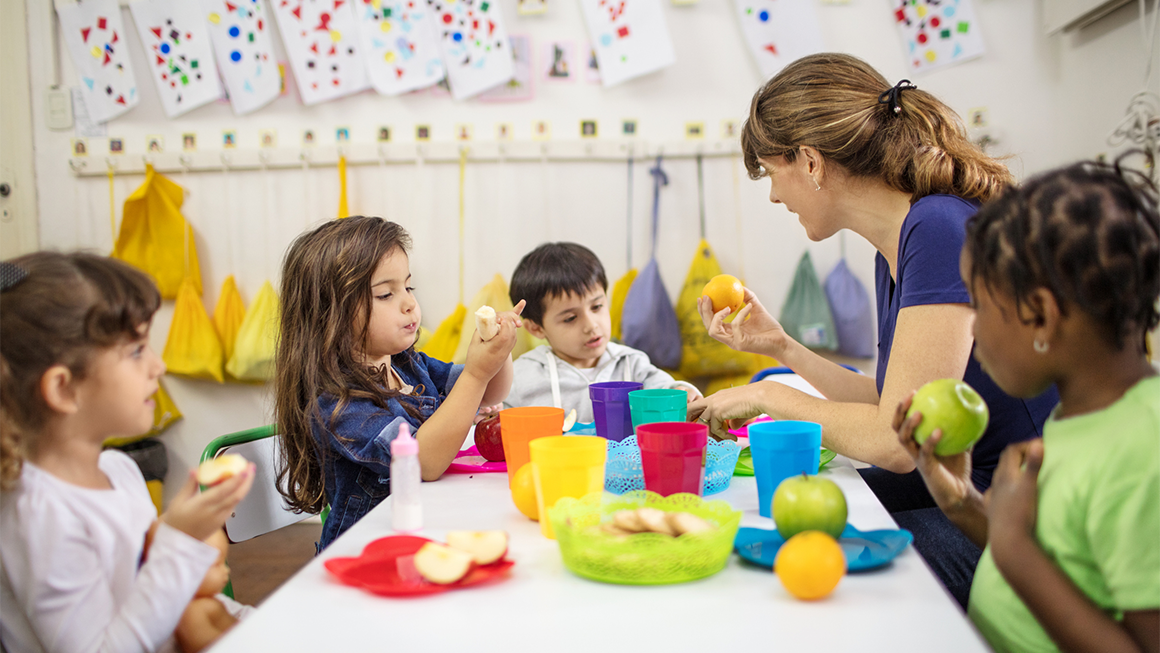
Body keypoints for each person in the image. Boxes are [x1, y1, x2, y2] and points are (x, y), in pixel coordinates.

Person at [686, 52, 1058, 608]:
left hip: (1021, 515)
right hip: (969, 482)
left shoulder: (936, 229)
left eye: (772, 172)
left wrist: (767, 393)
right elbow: (897, 402)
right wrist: (783, 348)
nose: (773, 195)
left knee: (793, 567)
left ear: (810, 162)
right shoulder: (901, 241)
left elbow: (894, 442)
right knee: (772, 527)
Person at [895, 159, 1160, 652]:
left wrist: (1015, 548)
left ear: (1040, 315)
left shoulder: (1143, 452)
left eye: (979, 305)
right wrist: (964, 504)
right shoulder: (1081, 415)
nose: (972, 330)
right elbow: (1068, 566)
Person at [0, 252, 255, 652]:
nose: (158, 366)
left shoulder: (118, 470)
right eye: (136, 351)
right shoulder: (40, 514)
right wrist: (179, 540)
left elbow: (158, 601)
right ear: (64, 389)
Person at [275, 216, 523, 551]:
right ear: (329, 314)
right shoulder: (338, 404)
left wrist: (498, 347)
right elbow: (425, 461)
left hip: (423, 531)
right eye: (385, 294)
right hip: (365, 551)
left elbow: (493, 391)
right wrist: (477, 373)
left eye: (408, 287)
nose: (408, 303)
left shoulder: (407, 365)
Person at [504, 242, 702, 424]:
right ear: (536, 328)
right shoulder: (522, 376)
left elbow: (667, 391)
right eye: (570, 318)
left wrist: (683, 391)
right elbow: (494, 424)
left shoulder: (631, 363)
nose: (591, 325)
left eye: (597, 306)